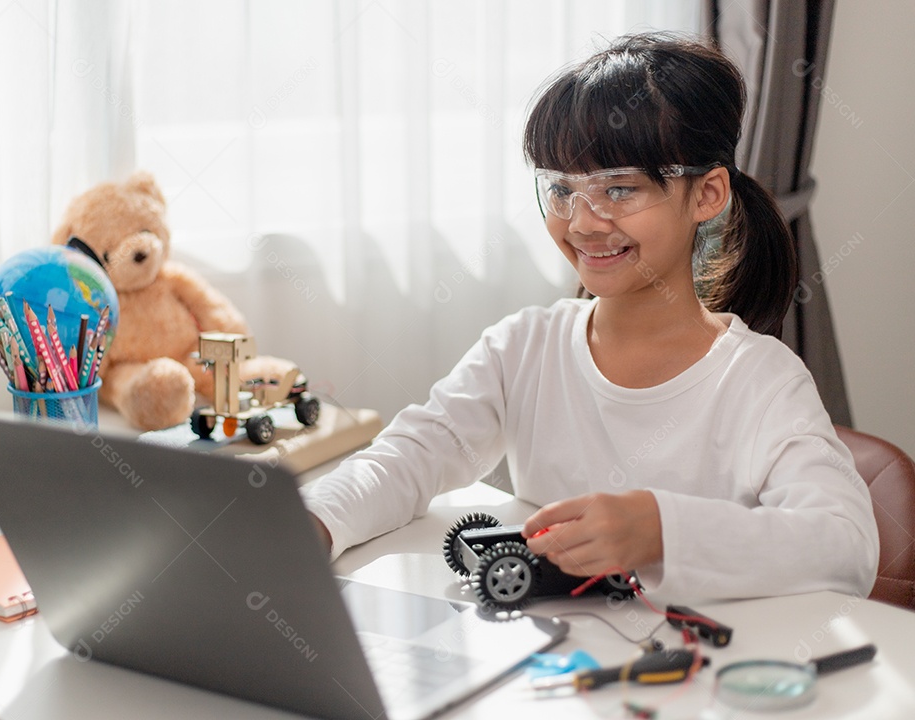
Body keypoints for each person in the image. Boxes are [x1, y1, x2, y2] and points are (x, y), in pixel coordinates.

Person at [299, 33, 878, 601]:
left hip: (698, 675)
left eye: (619, 190)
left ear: (707, 195)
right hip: (558, 667)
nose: (582, 222)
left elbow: (845, 546)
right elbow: (411, 455)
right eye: (561, 190)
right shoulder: (523, 347)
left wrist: (659, 531)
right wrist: (313, 525)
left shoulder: (760, 381)